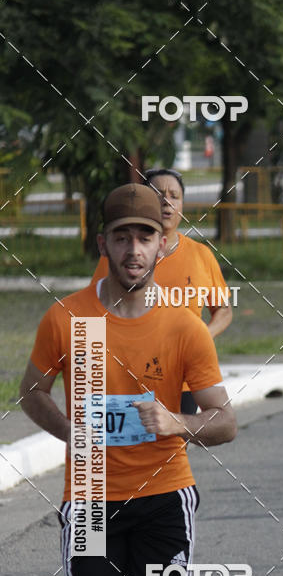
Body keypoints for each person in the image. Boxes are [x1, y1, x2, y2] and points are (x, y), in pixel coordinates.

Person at [20, 184, 237, 576]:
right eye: (122, 237)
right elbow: (31, 391)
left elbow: (224, 421)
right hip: (91, 492)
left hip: (165, 492)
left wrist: (177, 421)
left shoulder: (183, 327)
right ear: (104, 244)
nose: (134, 249)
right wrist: (70, 433)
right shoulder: (68, 317)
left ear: (163, 245)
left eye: (146, 237)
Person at [91, 169, 232, 414]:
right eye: (158, 195)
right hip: (128, 377)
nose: (167, 202)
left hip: (183, 380)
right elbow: (95, 309)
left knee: (177, 436)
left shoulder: (201, 255)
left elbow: (224, 310)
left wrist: (201, 337)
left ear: (182, 205)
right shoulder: (122, 255)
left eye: (174, 196)